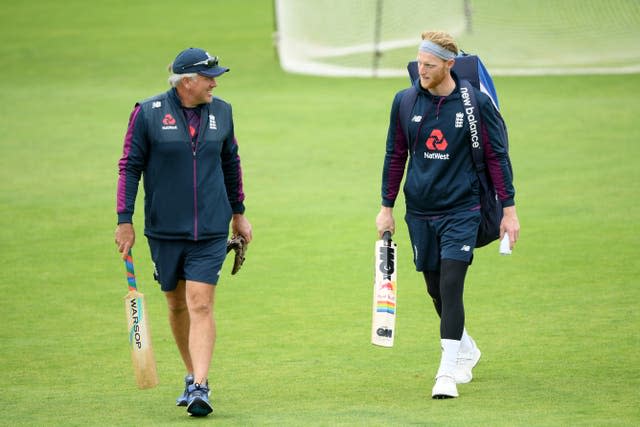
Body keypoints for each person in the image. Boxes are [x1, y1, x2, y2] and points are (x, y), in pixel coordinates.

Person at [375, 31, 519, 399]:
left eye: (430, 65)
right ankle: (465, 347)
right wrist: (386, 208)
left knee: (452, 286)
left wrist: (509, 211)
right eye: (419, 64)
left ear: (449, 65)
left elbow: (496, 157)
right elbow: (396, 156)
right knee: (435, 289)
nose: (421, 71)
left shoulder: (475, 105)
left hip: (462, 209)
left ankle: (446, 373)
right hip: (420, 211)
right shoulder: (405, 102)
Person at [115, 47, 252, 416]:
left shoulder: (222, 112)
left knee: (200, 302)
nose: (215, 83)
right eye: (209, 77)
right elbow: (129, 167)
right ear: (186, 81)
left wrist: (238, 213)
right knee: (176, 304)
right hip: (164, 229)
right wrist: (124, 219)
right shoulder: (147, 114)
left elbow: (231, 162)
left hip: (210, 227)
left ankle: (202, 386)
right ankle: (190, 374)